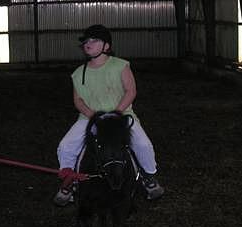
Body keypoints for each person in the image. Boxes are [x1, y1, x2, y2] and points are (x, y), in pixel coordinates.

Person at [54, 24, 164, 206]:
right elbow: (78, 100)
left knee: (143, 144)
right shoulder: (78, 73)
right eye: (86, 41)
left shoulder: (121, 66)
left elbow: (131, 91)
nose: (88, 44)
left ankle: (148, 177)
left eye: (94, 40)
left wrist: (117, 112)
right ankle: (69, 181)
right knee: (66, 146)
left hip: (121, 115)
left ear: (106, 46)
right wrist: (92, 115)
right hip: (90, 118)